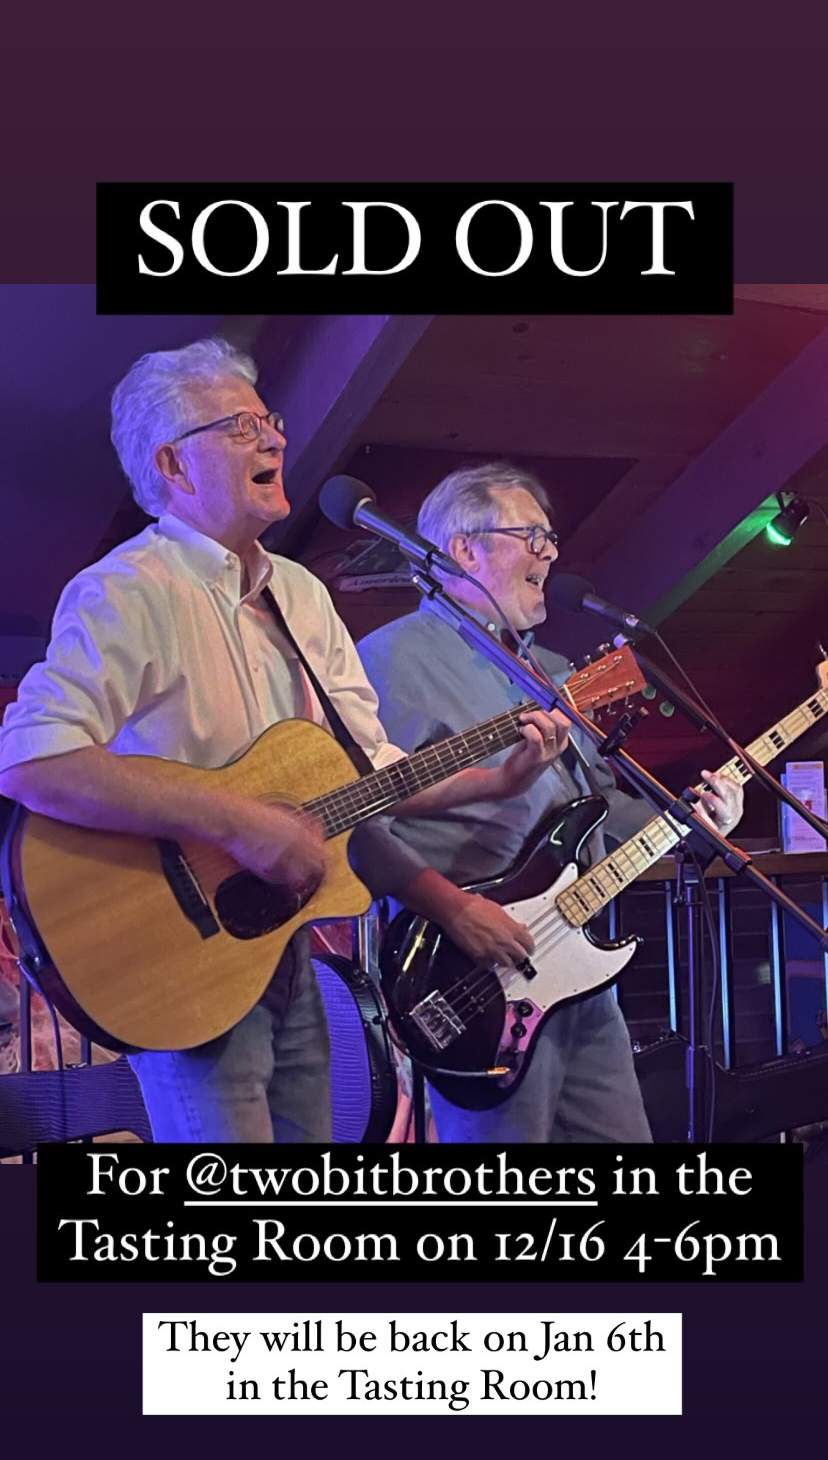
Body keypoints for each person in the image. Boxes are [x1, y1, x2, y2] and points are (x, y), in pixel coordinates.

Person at [0, 343, 572, 1144]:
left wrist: (497, 782)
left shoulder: (300, 594)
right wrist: (237, 823)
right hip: (177, 952)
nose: (276, 438)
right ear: (172, 462)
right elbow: (33, 759)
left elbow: (371, 770)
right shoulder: (128, 590)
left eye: (269, 420)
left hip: (282, 945)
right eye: (241, 427)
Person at [354, 461, 744, 1143]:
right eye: (531, 537)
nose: (552, 554)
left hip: (575, 964)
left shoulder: (557, 674)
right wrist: (456, 909)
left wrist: (694, 821)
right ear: (463, 549)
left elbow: (602, 808)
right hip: (473, 975)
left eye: (551, 538)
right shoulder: (387, 661)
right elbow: (360, 825)